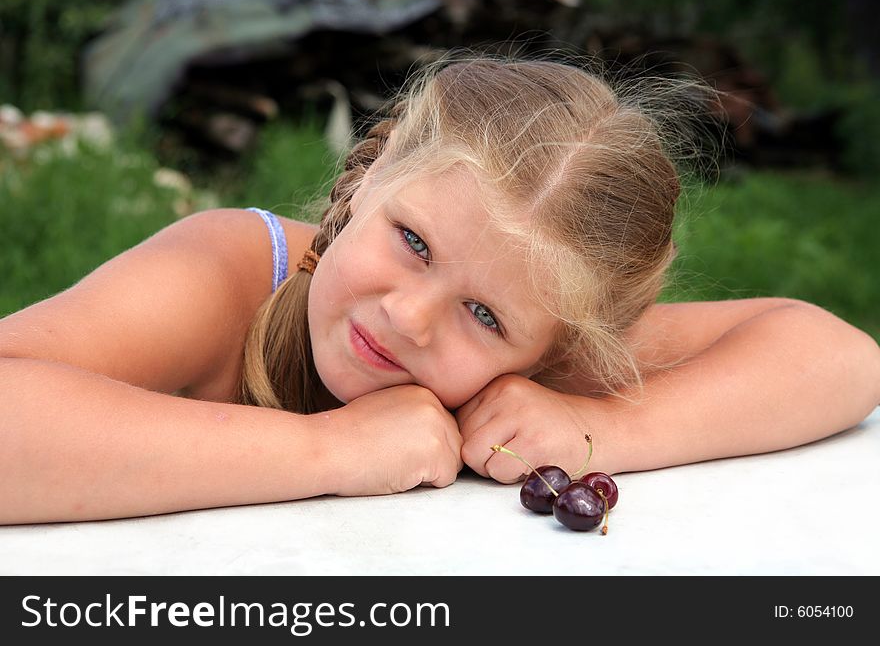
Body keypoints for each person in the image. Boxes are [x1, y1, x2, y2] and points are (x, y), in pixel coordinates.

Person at [1, 56, 878, 525]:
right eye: (413, 241)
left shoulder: (547, 366)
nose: (410, 316)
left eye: (486, 315)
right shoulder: (233, 268)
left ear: (558, 349)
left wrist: (607, 426)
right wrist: (333, 453)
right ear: (371, 174)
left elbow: (841, 358)